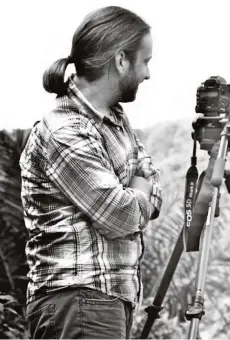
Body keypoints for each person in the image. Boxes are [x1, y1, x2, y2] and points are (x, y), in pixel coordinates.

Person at [19, 6, 162, 339]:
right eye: (146, 61)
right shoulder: (65, 129)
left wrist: (135, 191)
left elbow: (152, 185)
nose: (148, 74)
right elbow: (121, 216)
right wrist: (136, 191)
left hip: (104, 301)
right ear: (121, 60)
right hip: (79, 301)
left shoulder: (115, 119)